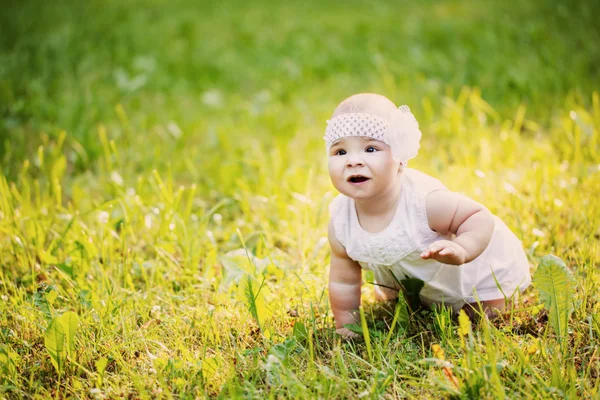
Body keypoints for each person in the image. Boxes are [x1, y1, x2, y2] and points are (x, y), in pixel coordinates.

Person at [325, 93, 531, 338]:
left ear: (399, 158)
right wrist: (346, 324)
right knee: (403, 299)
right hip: (417, 277)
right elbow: (343, 281)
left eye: (370, 149)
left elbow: (478, 217)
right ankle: (410, 292)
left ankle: (489, 300)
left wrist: (463, 249)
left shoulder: (425, 203)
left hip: (472, 275)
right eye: (340, 152)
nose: (353, 161)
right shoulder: (341, 221)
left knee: (479, 317)